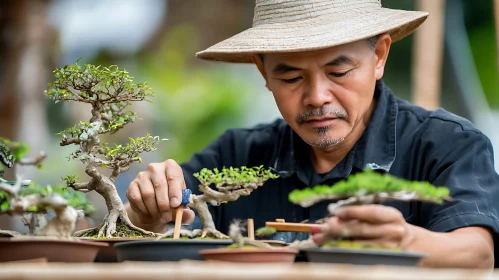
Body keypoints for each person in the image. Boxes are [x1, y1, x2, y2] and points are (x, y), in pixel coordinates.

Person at [124, 0, 499, 268]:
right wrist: (147, 210)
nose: (317, 97)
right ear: (263, 72)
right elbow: (150, 216)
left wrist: (404, 240)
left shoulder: (447, 144)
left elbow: (478, 251)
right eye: (291, 77)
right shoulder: (236, 155)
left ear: (379, 56)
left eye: (339, 72)